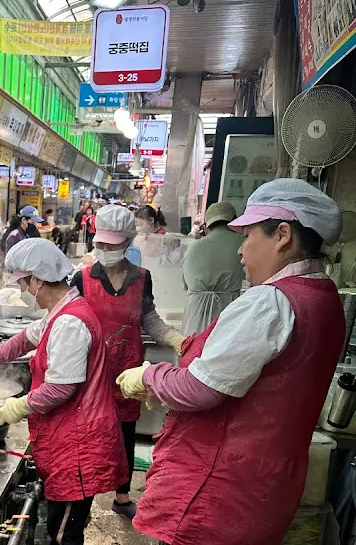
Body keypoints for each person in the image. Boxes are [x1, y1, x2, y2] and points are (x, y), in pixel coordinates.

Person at [116, 179, 345, 545]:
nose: (240, 251)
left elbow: (199, 391)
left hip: (216, 495)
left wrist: (149, 376)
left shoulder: (269, 302)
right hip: (264, 490)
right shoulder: (325, 298)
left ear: (283, 234)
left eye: (248, 235)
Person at [0, 238, 127, 545]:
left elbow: (61, 388)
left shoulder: (70, 323)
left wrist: (17, 406)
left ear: (38, 279)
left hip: (79, 446)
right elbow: (27, 337)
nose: (23, 290)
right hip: (68, 439)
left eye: (24, 282)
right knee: (61, 523)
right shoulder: (61, 310)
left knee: (64, 533)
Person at [70, 204, 184, 520]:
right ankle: (83, 499)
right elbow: (68, 321)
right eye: (101, 242)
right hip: (91, 374)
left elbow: (149, 317)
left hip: (128, 372)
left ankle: (122, 498)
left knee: (125, 436)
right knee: (89, 435)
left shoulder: (141, 278)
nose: (105, 248)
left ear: (127, 242)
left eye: (113, 243)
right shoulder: (82, 279)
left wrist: (175, 338)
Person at [181, 201, 245, 336]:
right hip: (227, 313)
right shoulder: (243, 243)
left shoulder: (192, 248)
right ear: (234, 220)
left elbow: (186, 286)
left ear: (206, 225)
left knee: (194, 354)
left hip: (194, 317)